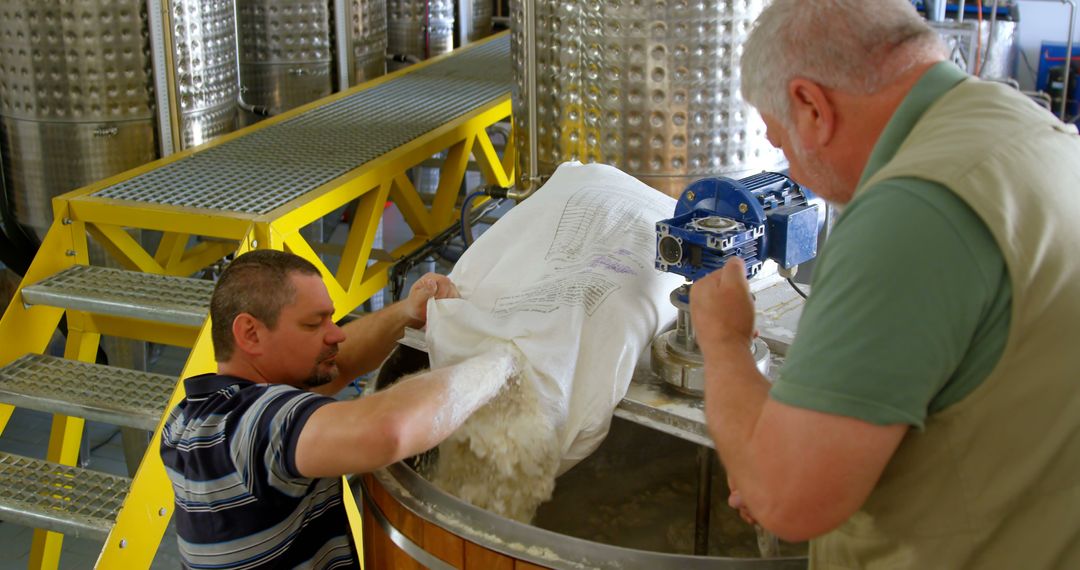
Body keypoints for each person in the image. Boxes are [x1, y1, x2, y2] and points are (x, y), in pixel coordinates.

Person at [689, 1, 1080, 568]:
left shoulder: (912, 212)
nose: (790, 170)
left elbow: (784, 499)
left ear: (810, 105)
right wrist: (794, 442)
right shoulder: (1029, 131)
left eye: (780, 142)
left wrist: (724, 341)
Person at [160, 250, 519, 569]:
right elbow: (387, 431)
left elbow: (340, 366)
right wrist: (500, 363)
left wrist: (408, 312)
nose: (337, 335)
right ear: (250, 334)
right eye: (314, 324)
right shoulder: (250, 426)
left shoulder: (196, 415)